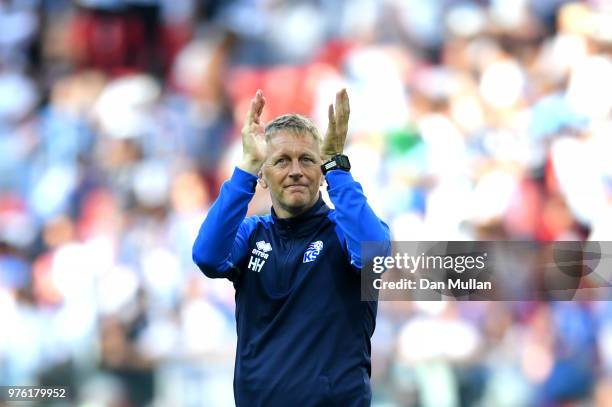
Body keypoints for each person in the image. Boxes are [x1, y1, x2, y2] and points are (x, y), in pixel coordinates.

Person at [192, 88, 390, 406]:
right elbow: (207, 256)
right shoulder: (251, 235)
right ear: (264, 176)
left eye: (307, 160)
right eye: (282, 161)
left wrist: (337, 168)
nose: (295, 170)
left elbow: (374, 254)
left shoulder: (345, 231)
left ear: (321, 171)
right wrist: (245, 169)